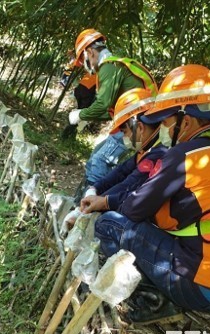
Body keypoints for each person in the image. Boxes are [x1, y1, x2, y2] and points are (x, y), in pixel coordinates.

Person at [88, 64, 210, 324]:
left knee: (109, 223)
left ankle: (153, 301)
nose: (163, 127)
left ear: (186, 119)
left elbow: (132, 210)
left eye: (165, 121)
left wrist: (105, 203)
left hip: (199, 286)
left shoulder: (185, 156)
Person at [62, 88, 168, 231]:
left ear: (140, 127)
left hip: (157, 225)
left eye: (125, 132)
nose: (125, 138)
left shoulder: (159, 154)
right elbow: (121, 172)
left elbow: (128, 185)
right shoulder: (148, 148)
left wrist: (96, 205)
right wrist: (95, 188)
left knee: (106, 222)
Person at [68, 29, 158, 189]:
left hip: (136, 126)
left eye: (83, 59)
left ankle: (91, 206)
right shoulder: (113, 66)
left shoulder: (108, 67)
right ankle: (84, 200)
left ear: (90, 52)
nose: (84, 65)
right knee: (97, 155)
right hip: (133, 123)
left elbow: (102, 104)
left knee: (100, 161)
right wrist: (87, 117)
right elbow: (109, 110)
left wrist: (81, 115)